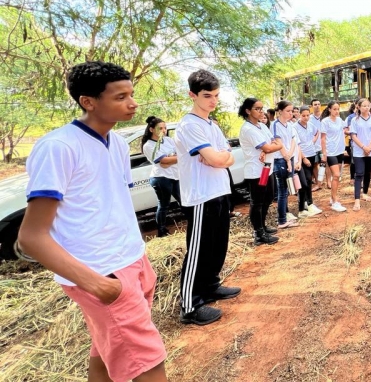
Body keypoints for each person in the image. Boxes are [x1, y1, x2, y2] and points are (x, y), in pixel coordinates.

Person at [19, 61, 168, 381]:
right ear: (88, 102)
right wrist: (97, 283)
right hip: (101, 271)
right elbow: (31, 236)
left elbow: (111, 205)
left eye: (131, 94)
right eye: (120, 96)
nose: (133, 103)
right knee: (149, 361)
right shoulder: (58, 147)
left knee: (106, 348)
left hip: (132, 261)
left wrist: (140, 259)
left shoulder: (115, 142)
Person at [174, 69, 241, 326]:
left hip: (220, 190)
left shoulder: (211, 124)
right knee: (199, 251)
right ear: (192, 95)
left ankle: (211, 286)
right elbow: (216, 158)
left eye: (216, 95)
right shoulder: (189, 125)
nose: (212, 101)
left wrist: (219, 158)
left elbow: (227, 156)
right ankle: (189, 305)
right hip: (202, 195)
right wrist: (219, 158)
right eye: (206, 95)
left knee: (217, 246)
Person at [237, 98, 281, 246]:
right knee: (257, 202)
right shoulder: (248, 129)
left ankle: (262, 226)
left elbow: (273, 141)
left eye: (262, 108)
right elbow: (270, 147)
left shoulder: (261, 126)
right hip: (256, 172)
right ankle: (258, 233)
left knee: (268, 198)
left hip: (266, 169)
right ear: (248, 111)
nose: (261, 111)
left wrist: (270, 146)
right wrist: (272, 147)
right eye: (257, 109)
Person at [142, 116, 181, 237]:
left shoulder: (168, 140)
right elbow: (162, 161)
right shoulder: (148, 145)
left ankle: (194, 221)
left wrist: (170, 159)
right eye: (160, 128)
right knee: (164, 204)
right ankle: (161, 231)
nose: (163, 130)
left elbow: (176, 156)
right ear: (151, 129)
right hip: (161, 178)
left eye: (165, 128)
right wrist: (174, 158)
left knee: (183, 200)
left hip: (174, 175)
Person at [271, 101, 301, 229]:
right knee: (282, 190)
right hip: (281, 160)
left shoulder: (289, 125)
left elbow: (293, 140)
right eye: (288, 111)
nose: (290, 113)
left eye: (291, 111)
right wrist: (287, 158)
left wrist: (290, 155)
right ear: (280, 111)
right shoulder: (275, 125)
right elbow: (278, 143)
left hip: (290, 157)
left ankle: (284, 216)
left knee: (288, 189)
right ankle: (282, 220)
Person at [349, 98, 371, 210]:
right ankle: (357, 200)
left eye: (368, 106)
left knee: (367, 173)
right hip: (359, 151)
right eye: (364, 106)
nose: (366, 108)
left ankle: (365, 193)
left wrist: (370, 147)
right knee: (359, 174)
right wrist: (364, 147)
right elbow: (353, 136)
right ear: (358, 107)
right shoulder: (354, 120)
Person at [321, 101, 348, 212]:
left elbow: (344, 131)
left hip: (340, 150)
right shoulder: (325, 122)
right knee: (336, 175)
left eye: (338, 109)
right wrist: (324, 153)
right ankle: (335, 201)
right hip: (330, 151)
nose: (337, 111)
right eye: (335, 109)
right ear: (329, 110)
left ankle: (333, 198)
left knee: (337, 177)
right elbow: (322, 138)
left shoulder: (340, 120)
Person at [296, 106, 323, 216]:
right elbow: (296, 144)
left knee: (308, 180)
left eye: (308, 115)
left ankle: (308, 203)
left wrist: (313, 141)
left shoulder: (311, 125)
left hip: (311, 153)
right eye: (303, 116)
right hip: (301, 156)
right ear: (299, 115)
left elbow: (317, 132)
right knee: (305, 180)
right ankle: (305, 204)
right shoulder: (295, 127)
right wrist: (303, 158)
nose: (306, 118)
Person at [310, 98, 324, 191]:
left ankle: (324, 181)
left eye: (318, 104)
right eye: (315, 104)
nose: (317, 106)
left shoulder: (325, 117)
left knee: (324, 163)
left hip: (324, 144)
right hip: (314, 145)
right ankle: (318, 183)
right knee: (315, 164)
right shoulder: (309, 118)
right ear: (311, 106)